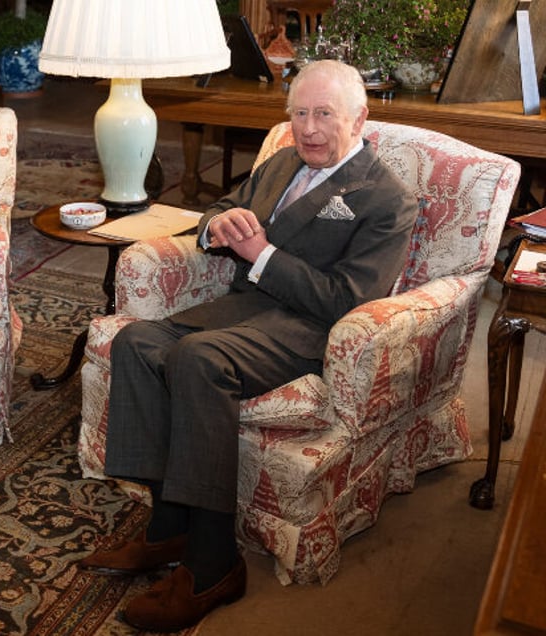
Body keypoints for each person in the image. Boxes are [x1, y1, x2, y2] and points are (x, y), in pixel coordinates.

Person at [79, 59, 420, 631]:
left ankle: (213, 566)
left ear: (359, 118)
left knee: (197, 359)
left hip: (308, 330)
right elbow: (219, 209)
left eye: (324, 115)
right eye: (300, 113)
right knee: (136, 342)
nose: (309, 128)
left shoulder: (386, 198)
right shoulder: (282, 160)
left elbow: (345, 298)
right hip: (241, 312)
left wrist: (260, 254)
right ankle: (169, 531)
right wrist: (220, 225)